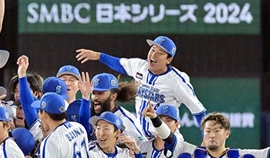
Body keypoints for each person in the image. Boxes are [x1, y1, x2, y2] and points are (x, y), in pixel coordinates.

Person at [76, 35, 206, 139]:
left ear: (169, 60)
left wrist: (205, 141)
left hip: (166, 139)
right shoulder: (140, 66)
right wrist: (98, 56)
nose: (153, 55)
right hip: (145, 139)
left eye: (160, 53)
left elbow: (199, 112)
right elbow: (119, 64)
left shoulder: (177, 81)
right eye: (152, 49)